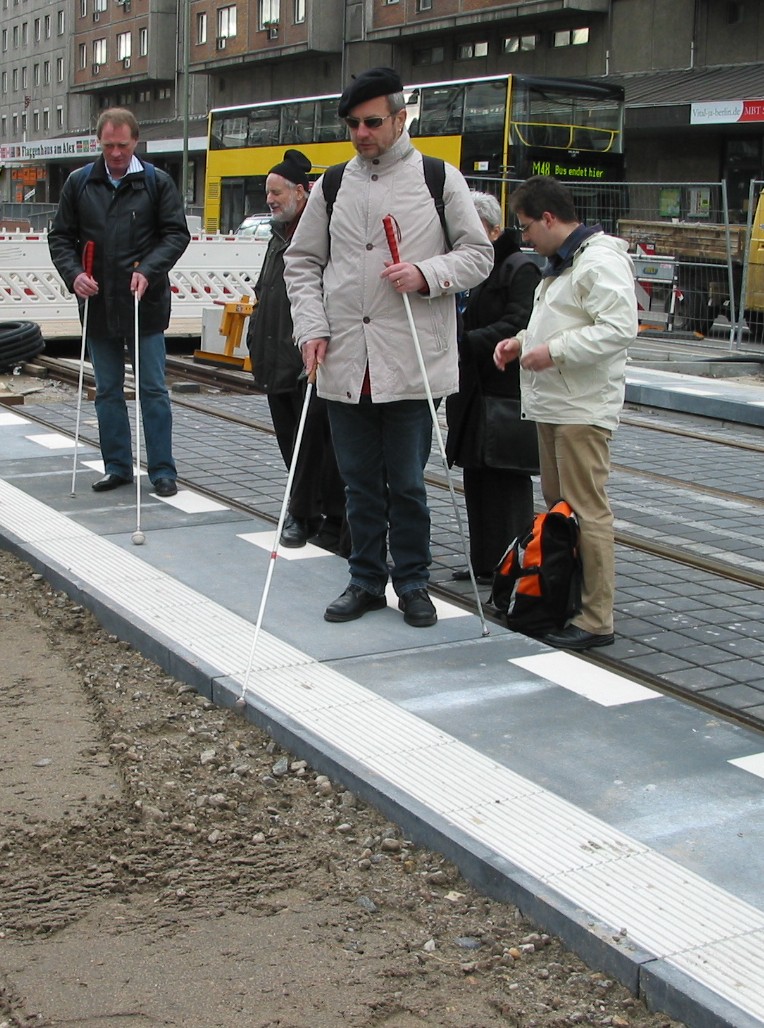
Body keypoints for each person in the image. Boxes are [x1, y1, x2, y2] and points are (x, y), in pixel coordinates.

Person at [284, 66, 493, 627]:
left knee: (406, 483)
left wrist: (426, 272)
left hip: (411, 361)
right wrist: (311, 328)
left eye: (372, 122)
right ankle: (365, 579)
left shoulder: (437, 177)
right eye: (352, 123)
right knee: (358, 483)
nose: (361, 133)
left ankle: (414, 582)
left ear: (401, 118)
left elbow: (479, 254)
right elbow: (301, 262)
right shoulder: (332, 184)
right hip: (346, 358)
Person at [493, 175, 637, 651]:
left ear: (550, 218)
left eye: (527, 226)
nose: (525, 236)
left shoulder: (597, 260)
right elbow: (562, 321)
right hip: (556, 403)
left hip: (580, 406)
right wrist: (523, 343)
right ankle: (567, 600)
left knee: (586, 511)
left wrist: (551, 351)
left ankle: (597, 618)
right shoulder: (564, 262)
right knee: (562, 511)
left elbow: (618, 329)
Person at [49, 107, 190, 497]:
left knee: (153, 389)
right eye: (108, 145)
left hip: (143, 301)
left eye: (122, 146)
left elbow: (176, 234)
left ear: (136, 141)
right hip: (98, 303)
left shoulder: (157, 182)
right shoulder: (79, 183)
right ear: (99, 142)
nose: (115, 153)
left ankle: (162, 469)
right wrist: (74, 273)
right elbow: (60, 237)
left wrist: (150, 268)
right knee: (108, 390)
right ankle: (117, 466)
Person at [246, 149, 347, 551]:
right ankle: (316, 512)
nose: (270, 200)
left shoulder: (319, 235)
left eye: (277, 192)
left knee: (313, 443)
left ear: (302, 193)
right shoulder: (276, 237)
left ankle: (307, 514)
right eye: (267, 193)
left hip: (307, 357)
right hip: (274, 358)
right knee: (292, 441)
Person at [445, 191, 540, 584]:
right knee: (478, 480)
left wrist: (466, 343)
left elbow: (521, 322)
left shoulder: (517, 268)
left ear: (495, 230)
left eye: (473, 227)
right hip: (471, 393)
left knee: (506, 481)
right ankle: (484, 562)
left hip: (502, 393)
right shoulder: (468, 268)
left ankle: (512, 564)